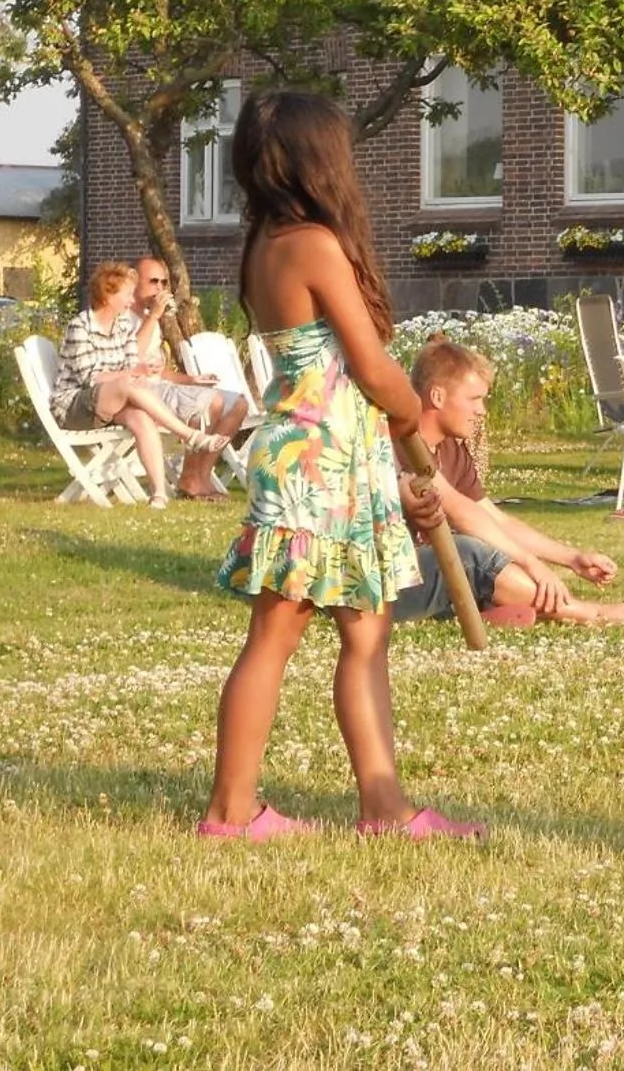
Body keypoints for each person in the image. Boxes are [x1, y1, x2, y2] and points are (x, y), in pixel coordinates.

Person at [199, 89, 480, 842]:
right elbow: (372, 367)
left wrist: (389, 446)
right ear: (319, 161)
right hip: (313, 465)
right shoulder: (313, 244)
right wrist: (410, 410)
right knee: (278, 632)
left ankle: (384, 809)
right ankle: (231, 814)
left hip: (331, 460)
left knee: (365, 633)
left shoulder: (266, 242)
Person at [392, 337, 624, 626]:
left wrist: (572, 558)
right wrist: (529, 562)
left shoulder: (452, 449)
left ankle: (483, 612)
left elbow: (495, 519)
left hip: (423, 577)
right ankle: (595, 613)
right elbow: (461, 512)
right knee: (469, 554)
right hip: (389, 588)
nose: (482, 411)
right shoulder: (401, 444)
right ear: (437, 397)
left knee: (484, 553)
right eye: (474, 399)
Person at [50, 260, 230, 509]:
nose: (129, 300)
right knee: (128, 383)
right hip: (76, 407)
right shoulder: (81, 327)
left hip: (111, 401)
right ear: (107, 294)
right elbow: (91, 378)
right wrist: (131, 373)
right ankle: (189, 434)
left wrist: (143, 370)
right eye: (125, 294)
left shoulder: (122, 325)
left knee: (141, 418)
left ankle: (158, 495)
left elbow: (131, 364)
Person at [129, 255, 251, 499]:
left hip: (162, 389)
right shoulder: (125, 317)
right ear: (134, 282)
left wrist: (192, 380)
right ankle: (190, 480)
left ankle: (200, 475)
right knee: (210, 402)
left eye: (164, 283)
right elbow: (131, 358)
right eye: (154, 281)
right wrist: (154, 316)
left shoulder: (147, 317)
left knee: (238, 403)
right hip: (139, 395)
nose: (160, 288)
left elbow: (158, 371)